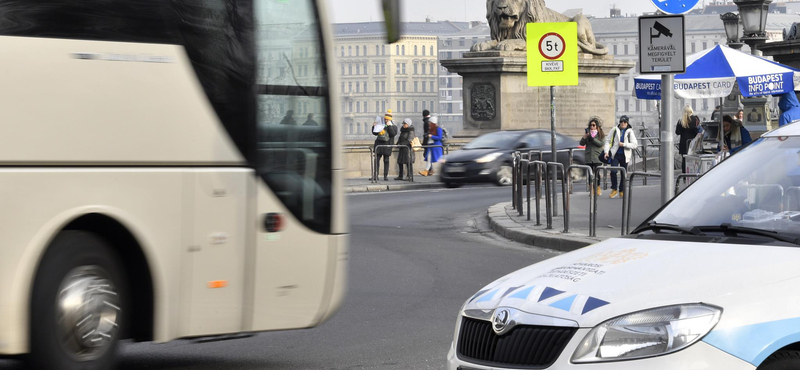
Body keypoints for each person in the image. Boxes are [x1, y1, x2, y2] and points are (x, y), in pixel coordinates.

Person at [604, 115, 638, 199]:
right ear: (619, 122)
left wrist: (624, 144)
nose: (623, 123)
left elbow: (635, 144)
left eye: (625, 122)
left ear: (627, 123)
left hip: (625, 155)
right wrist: (606, 151)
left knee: (623, 173)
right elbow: (608, 140)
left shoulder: (630, 131)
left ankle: (621, 190)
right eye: (621, 122)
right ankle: (614, 189)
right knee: (613, 171)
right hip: (615, 154)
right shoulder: (615, 129)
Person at [580, 117, 605, 196]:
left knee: (596, 174)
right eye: (591, 125)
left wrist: (592, 139)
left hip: (597, 157)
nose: (592, 127)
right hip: (589, 157)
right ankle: (592, 190)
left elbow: (600, 144)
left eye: (594, 125)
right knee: (590, 174)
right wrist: (584, 138)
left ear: (597, 126)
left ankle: (597, 188)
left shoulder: (600, 134)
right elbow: (581, 143)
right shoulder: (588, 134)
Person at [676, 105, 703, 173]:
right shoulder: (695, 119)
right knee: (693, 159)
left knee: (684, 160)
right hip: (693, 142)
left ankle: (684, 176)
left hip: (683, 143)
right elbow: (698, 130)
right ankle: (693, 174)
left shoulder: (681, 120)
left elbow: (677, 132)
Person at [372, 110, 397, 181]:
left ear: (390, 119)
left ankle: (385, 176)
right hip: (379, 145)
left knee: (386, 160)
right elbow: (375, 133)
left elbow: (393, 134)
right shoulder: (381, 125)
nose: (386, 120)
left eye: (387, 119)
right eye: (385, 119)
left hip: (387, 146)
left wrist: (389, 126)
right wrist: (374, 126)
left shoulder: (393, 126)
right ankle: (375, 175)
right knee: (376, 160)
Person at [419, 110, 432, 176]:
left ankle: (429, 170)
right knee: (428, 156)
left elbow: (426, 134)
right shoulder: (430, 121)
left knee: (427, 155)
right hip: (430, 141)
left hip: (428, 142)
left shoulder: (426, 122)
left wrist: (424, 143)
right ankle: (430, 170)